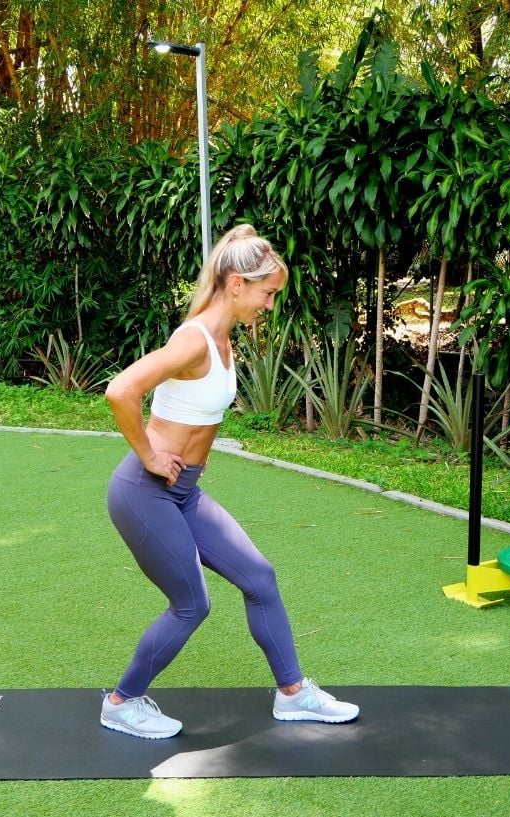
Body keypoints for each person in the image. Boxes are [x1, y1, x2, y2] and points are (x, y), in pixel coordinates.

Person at [99, 223, 359, 739]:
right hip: (143, 492)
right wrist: (150, 455)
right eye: (267, 293)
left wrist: (195, 457)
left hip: (183, 490)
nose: (269, 304)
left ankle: (292, 694)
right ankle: (120, 702)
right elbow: (120, 390)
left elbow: (195, 413)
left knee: (259, 578)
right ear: (237, 284)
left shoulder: (223, 339)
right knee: (192, 604)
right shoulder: (194, 339)